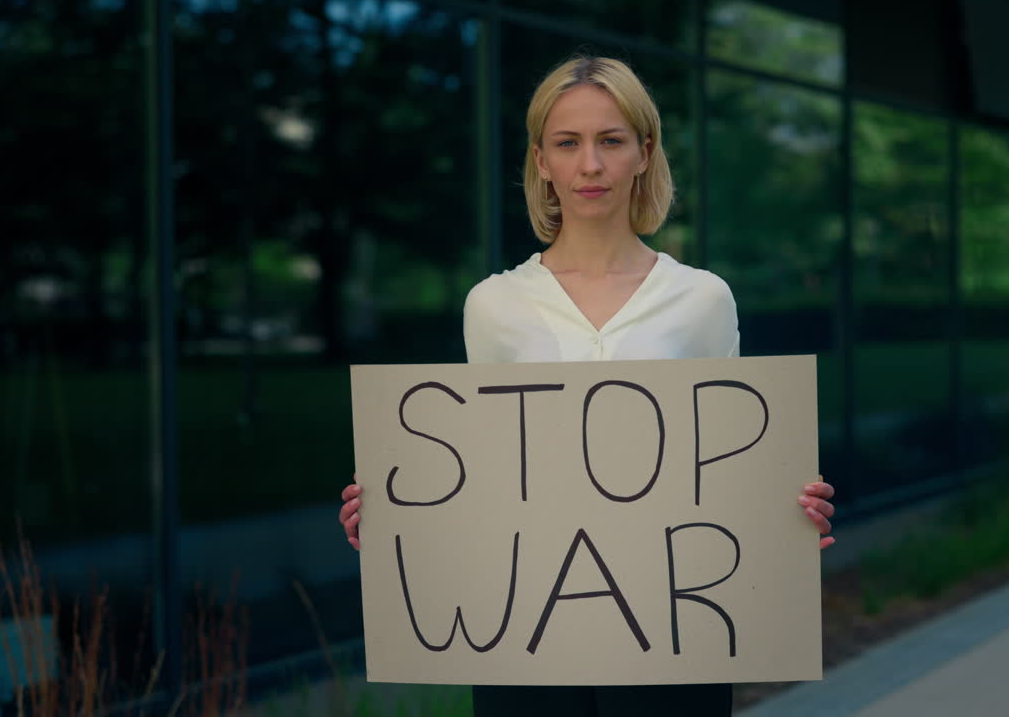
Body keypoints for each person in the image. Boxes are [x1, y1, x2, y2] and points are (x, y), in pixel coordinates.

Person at [338, 55, 836, 717]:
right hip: (528, 636)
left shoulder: (703, 300)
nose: (590, 166)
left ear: (643, 152)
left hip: (672, 633)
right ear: (541, 160)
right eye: (568, 144)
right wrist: (406, 514)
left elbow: (729, 465)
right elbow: (481, 477)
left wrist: (789, 512)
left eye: (610, 141)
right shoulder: (493, 306)